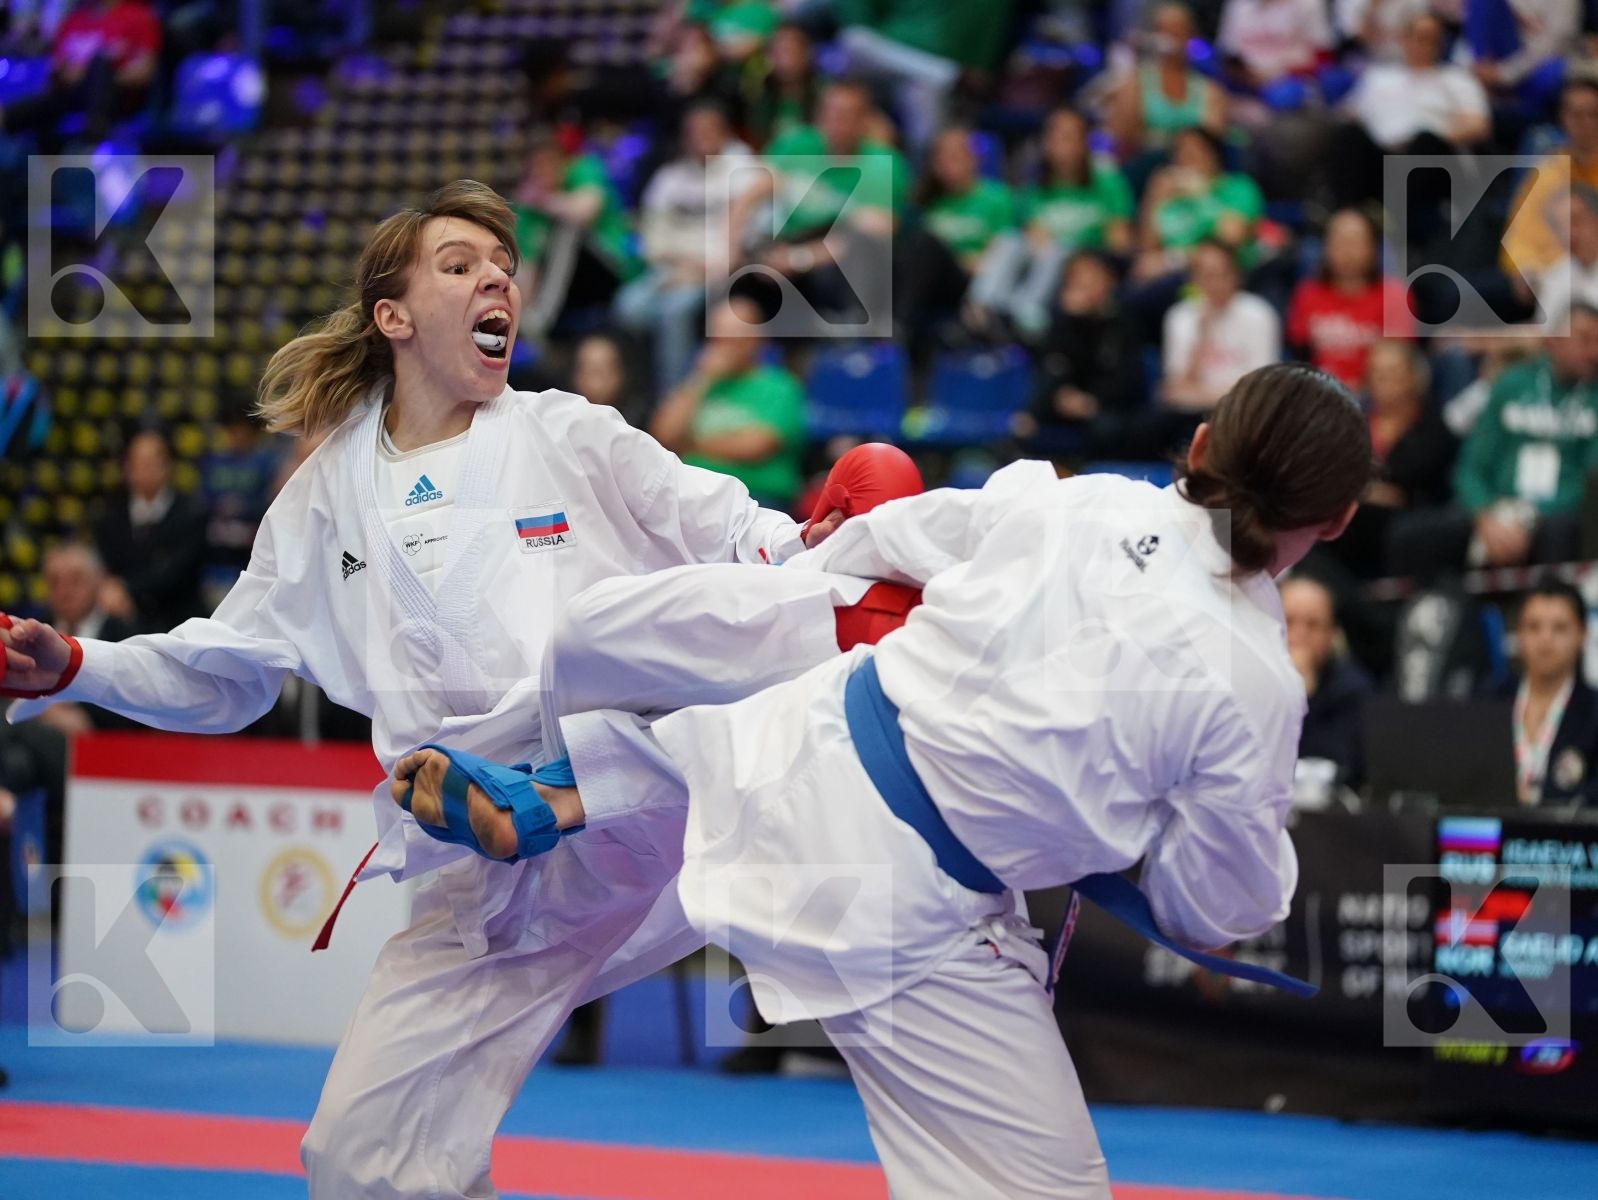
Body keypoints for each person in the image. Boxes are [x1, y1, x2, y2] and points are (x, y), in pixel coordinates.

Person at [0, 179, 838, 1200]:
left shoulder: (566, 434)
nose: (496, 280)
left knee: (608, 648)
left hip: (620, 806)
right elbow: (227, 670)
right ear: (392, 318)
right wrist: (79, 665)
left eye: (504, 270)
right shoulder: (331, 490)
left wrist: (811, 550)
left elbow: (722, 523)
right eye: (460, 266)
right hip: (464, 857)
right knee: (359, 1159)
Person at [396, 363, 1373, 1200]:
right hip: (912, 912)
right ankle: (601, 782)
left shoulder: (1084, 501)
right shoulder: (1254, 680)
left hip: (809, 736)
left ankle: (579, 785)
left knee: (809, 686)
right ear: (1333, 520)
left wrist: (818, 549)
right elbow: (1213, 906)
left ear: (1198, 443)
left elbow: (903, 532)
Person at [1388, 304, 1598, 578]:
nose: (1593, 351)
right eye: (1584, 340)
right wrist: (1485, 516)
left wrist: (1531, 517)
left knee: (1558, 532)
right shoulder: (1512, 384)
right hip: (1494, 509)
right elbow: (1471, 466)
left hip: (1557, 513)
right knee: (1408, 535)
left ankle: (1548, 616)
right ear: (1554, 340)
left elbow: (1590, 481)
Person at [613, 100, 753, 393]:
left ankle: (672, 396)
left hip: (722, 274)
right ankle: (635, 390)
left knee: (674, 311)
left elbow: (749, 236)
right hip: (672, 269)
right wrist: (680, 267)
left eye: (709, 130)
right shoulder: (669, 179)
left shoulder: (743, 171)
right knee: (627, 306)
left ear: (723, 132)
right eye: (695, 132)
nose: (701, 137)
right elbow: (651, 240)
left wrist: (702, 269)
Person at [970, 107, 1135, 338]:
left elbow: (1118, 242)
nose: (1058, 143)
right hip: (1039, 261)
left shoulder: (1108, 182)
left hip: (1082, 262)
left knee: (1058, 250)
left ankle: (1024, 314)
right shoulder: (1034, 186)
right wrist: (1038, 239)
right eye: (1052, 135)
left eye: (1067, 136)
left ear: (1084, 142)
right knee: (1009, 241)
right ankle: (981, 306)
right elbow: (1031, 232)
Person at [648, 295, 807, 510]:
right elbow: (664, 437)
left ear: (756, 339)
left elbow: (756, 446)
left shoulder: (779, 386)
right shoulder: (699, 384)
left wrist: (691, 445)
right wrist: (701, 380)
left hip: (755, 498)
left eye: (734, 338)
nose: (725, 347)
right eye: (718, 339)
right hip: (690, 494)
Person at [1153, 238, 1281, 452]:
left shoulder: (1259, 314)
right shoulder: (1180, 316)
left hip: (1242, 413)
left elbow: (1259, 389)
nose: (1213, 283)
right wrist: (1202, 335)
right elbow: (1174, 389)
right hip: (1189, 416)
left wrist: (1199, 394)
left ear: (1236, 275)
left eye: (1220, 273)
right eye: (1205, 275)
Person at [92, 428, 209, 634]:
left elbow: (175, 574)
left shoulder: (191, 514)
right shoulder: (110, 517)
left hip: (179, 621)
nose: (145, 470)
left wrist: (126, 588)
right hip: (126, 621)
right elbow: (107, 565)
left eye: (152, 462)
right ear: (127, 467)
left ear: (167, 466)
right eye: (139, 463)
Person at [1496, 576, 1598, 806]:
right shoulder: (1488, 701)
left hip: (1565, 838)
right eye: (1533, 626)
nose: (1545, 639)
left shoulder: (1593, 711)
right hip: (1491, 834)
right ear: (1518, 633)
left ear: (1583, 634)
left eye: (1560, 628)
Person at [1286, 208, 1413, 391]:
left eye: (1355, 242)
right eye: (1339, 242)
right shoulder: (1307, 293)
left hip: (1375, 397)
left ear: (1373, 248)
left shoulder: (1394, 296)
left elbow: (1397, 365)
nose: (1347, 251)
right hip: (1319, 395)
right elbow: (1299, 355)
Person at [1281, 573, 1374, 788]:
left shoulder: (1352, 689)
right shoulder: (1245, 680)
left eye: (1313, 625)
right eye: (1288, 621)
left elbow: (1336, 767)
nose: (1299, 635)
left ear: (1332, 634)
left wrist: (1305, 697)